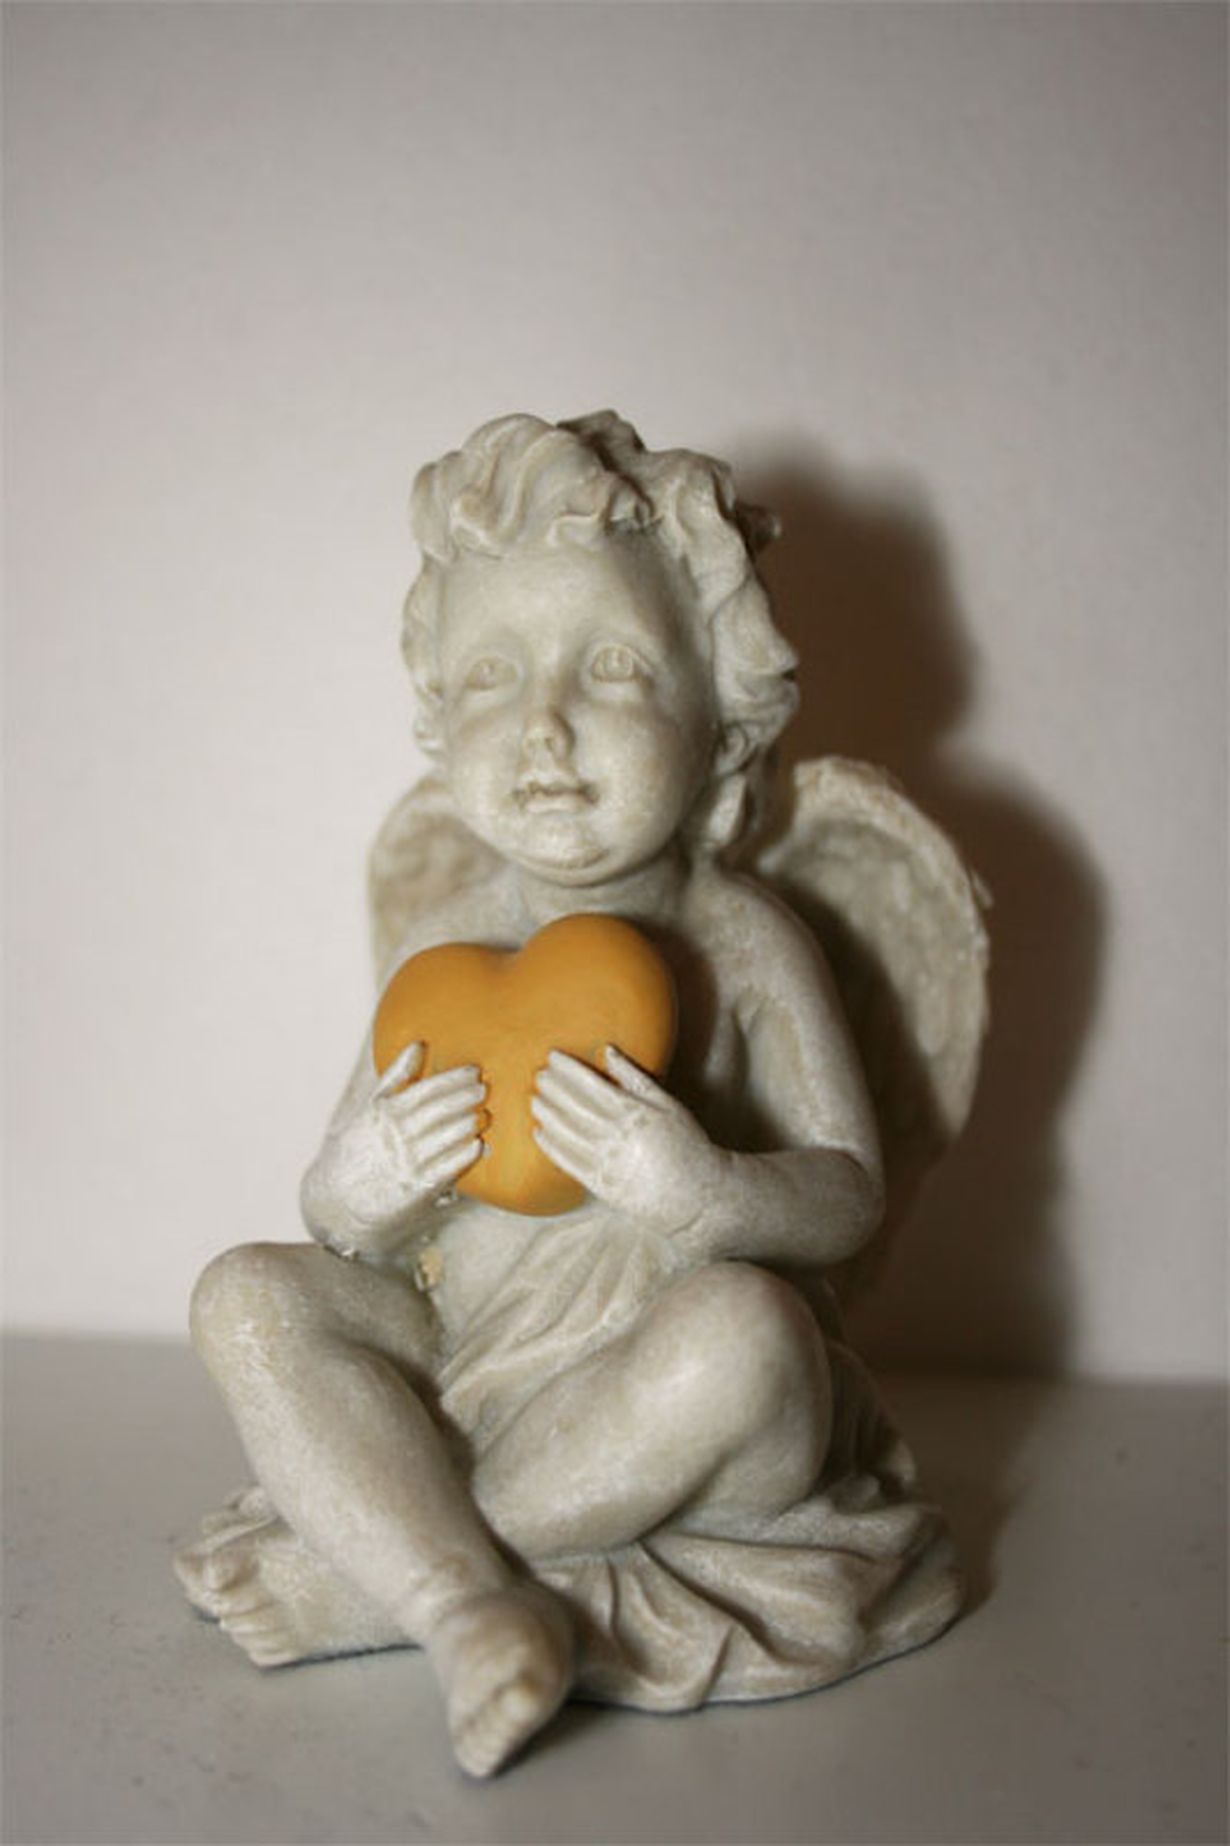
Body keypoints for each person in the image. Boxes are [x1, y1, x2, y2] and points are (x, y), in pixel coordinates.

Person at [176, 413, 947, 1780]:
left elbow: (846, 1194)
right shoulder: (443, 948)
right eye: (490, 674)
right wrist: (362, 1183)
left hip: (673, 1392)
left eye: (611, 666)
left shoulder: (746, 940)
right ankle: (466, 1602)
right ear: (436, 718)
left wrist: (706, 1192)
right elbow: (339, 1220)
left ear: (720, 720)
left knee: (747, 1334)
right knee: (245, 1296)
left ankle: (383, 1586)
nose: (542, 726)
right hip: (475, 1347)